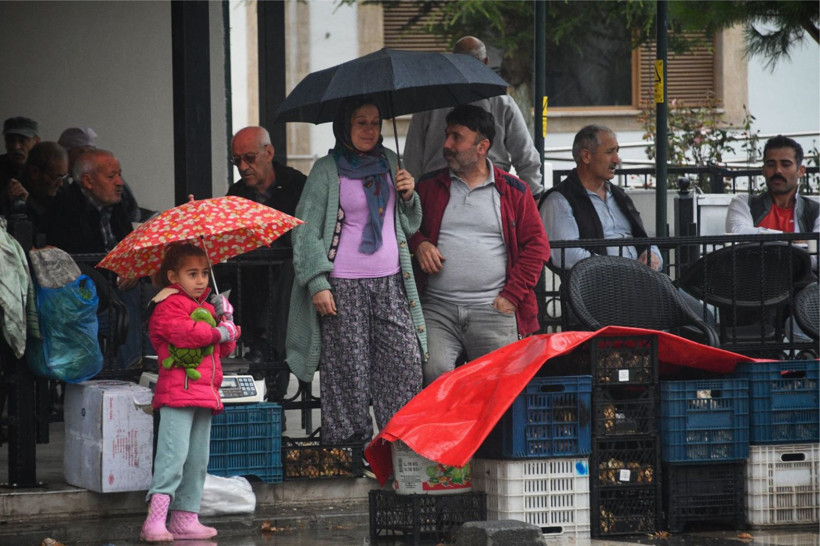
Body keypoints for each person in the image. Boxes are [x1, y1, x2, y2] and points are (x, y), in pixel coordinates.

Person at [286, 99, 425, 454]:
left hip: (391, 282)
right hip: (343, 286)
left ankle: (399, 448)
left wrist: (409, 196)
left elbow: (407, 225)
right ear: (344, 127)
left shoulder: (392, 163)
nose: (369, 130)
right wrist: (318, 283)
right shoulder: (325, 170)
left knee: (404, 362)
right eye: (360, 122)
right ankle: (348, 454)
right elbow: (304, 231)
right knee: (348, 371)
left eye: (375, 123)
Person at [410, 104, 550, 386]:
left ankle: (489, 433)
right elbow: (404, 225)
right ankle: (447, 432)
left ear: (482, 146)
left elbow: (537, 246)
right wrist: (420, 243)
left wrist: (512, 295)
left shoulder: (514, 191)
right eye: (447, 136)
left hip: (493, 309)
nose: (447, 145)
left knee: (498, 387)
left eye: (456, 138)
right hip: (437, 309)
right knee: (431, 374)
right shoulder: (427, 187)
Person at [140, 243, 240, 542]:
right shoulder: (167, 305)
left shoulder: (208, 308)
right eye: (192, 274)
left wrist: (227, 321)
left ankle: (185, 517)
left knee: (197, 460)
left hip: (204, 393)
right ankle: (155, 520)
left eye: (205, 273)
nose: (200, 281)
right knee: (173, 457)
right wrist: (219, 331)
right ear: (173, 276)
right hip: (177, 394)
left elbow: (222, 348)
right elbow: (187, 335)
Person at [403, 36, 544, 198]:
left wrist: (534, 197)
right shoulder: (501, 100)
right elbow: (526, 157)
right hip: (441, 189)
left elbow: (412, 159)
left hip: (485, 187)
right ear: (486, 62)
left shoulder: (500, 100)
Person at [226, 127, 307, 399]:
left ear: (269, 152)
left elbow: (308, 239)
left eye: (249, 157)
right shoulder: (236, 194)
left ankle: (265, 356)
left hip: (293, 291)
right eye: (236, 160)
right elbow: (232, 246)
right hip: (252, 291)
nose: (243, 166)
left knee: (284, 269)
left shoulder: (297, 185)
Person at [540, 125, 662, 272]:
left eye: (617, 151)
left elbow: (644, 239)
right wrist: (624, 270)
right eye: (609, 152)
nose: (617, 159)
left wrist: (653, 255)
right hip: (595, 291)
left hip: (638, 284)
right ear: (586, 156)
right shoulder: (559, 200)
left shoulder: (619, 195)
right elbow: (566, 255)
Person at [726, 135, 819, 236]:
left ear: (800, 171)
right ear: (763, 170)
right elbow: (737, 233)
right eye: (771, 164)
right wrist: (790, 239)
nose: (778, 170)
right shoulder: (745, 203)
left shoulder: (815, 211)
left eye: (785, 164)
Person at [57, 126, 141, 223]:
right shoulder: (60, 184)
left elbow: (132, 209)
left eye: (90, 152)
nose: (85, 158)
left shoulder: (111, 179)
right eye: (80, 152)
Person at [18, 142, 68, 235]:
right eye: (54, 177)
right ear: (34, 172)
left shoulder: (64, 194)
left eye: (63, 177)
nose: (60, 184)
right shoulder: (15, 195)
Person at [1, 116, 41, 218]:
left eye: (23, 141)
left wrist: (28, 200)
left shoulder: (46, 171)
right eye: (11, 141)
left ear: (36, 141)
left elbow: (53, 217)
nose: (16, 147)